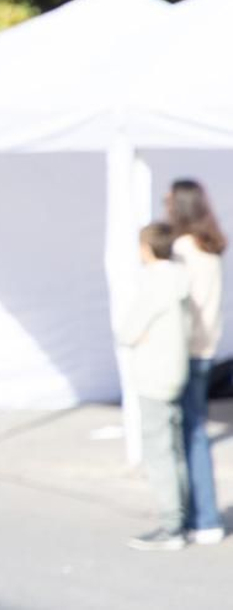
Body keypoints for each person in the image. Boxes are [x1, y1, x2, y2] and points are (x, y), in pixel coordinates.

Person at [117, 222, 192, 551]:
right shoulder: (180, 279)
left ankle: (171, 524)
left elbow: (128, 330)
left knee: (159, 450)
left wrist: (137, 336)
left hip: (154, 375)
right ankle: (182, 516)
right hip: (177, 370)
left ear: (147, 248)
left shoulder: (154, 283)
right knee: (174, 448)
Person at [166, 179, 225, 545]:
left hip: (184, 350)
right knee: (196, 429)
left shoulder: (184, 248)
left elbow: (177, 303)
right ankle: (201, 514)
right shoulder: (211, 246)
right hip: (207, 348)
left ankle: (201, 516)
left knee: (190, 434)